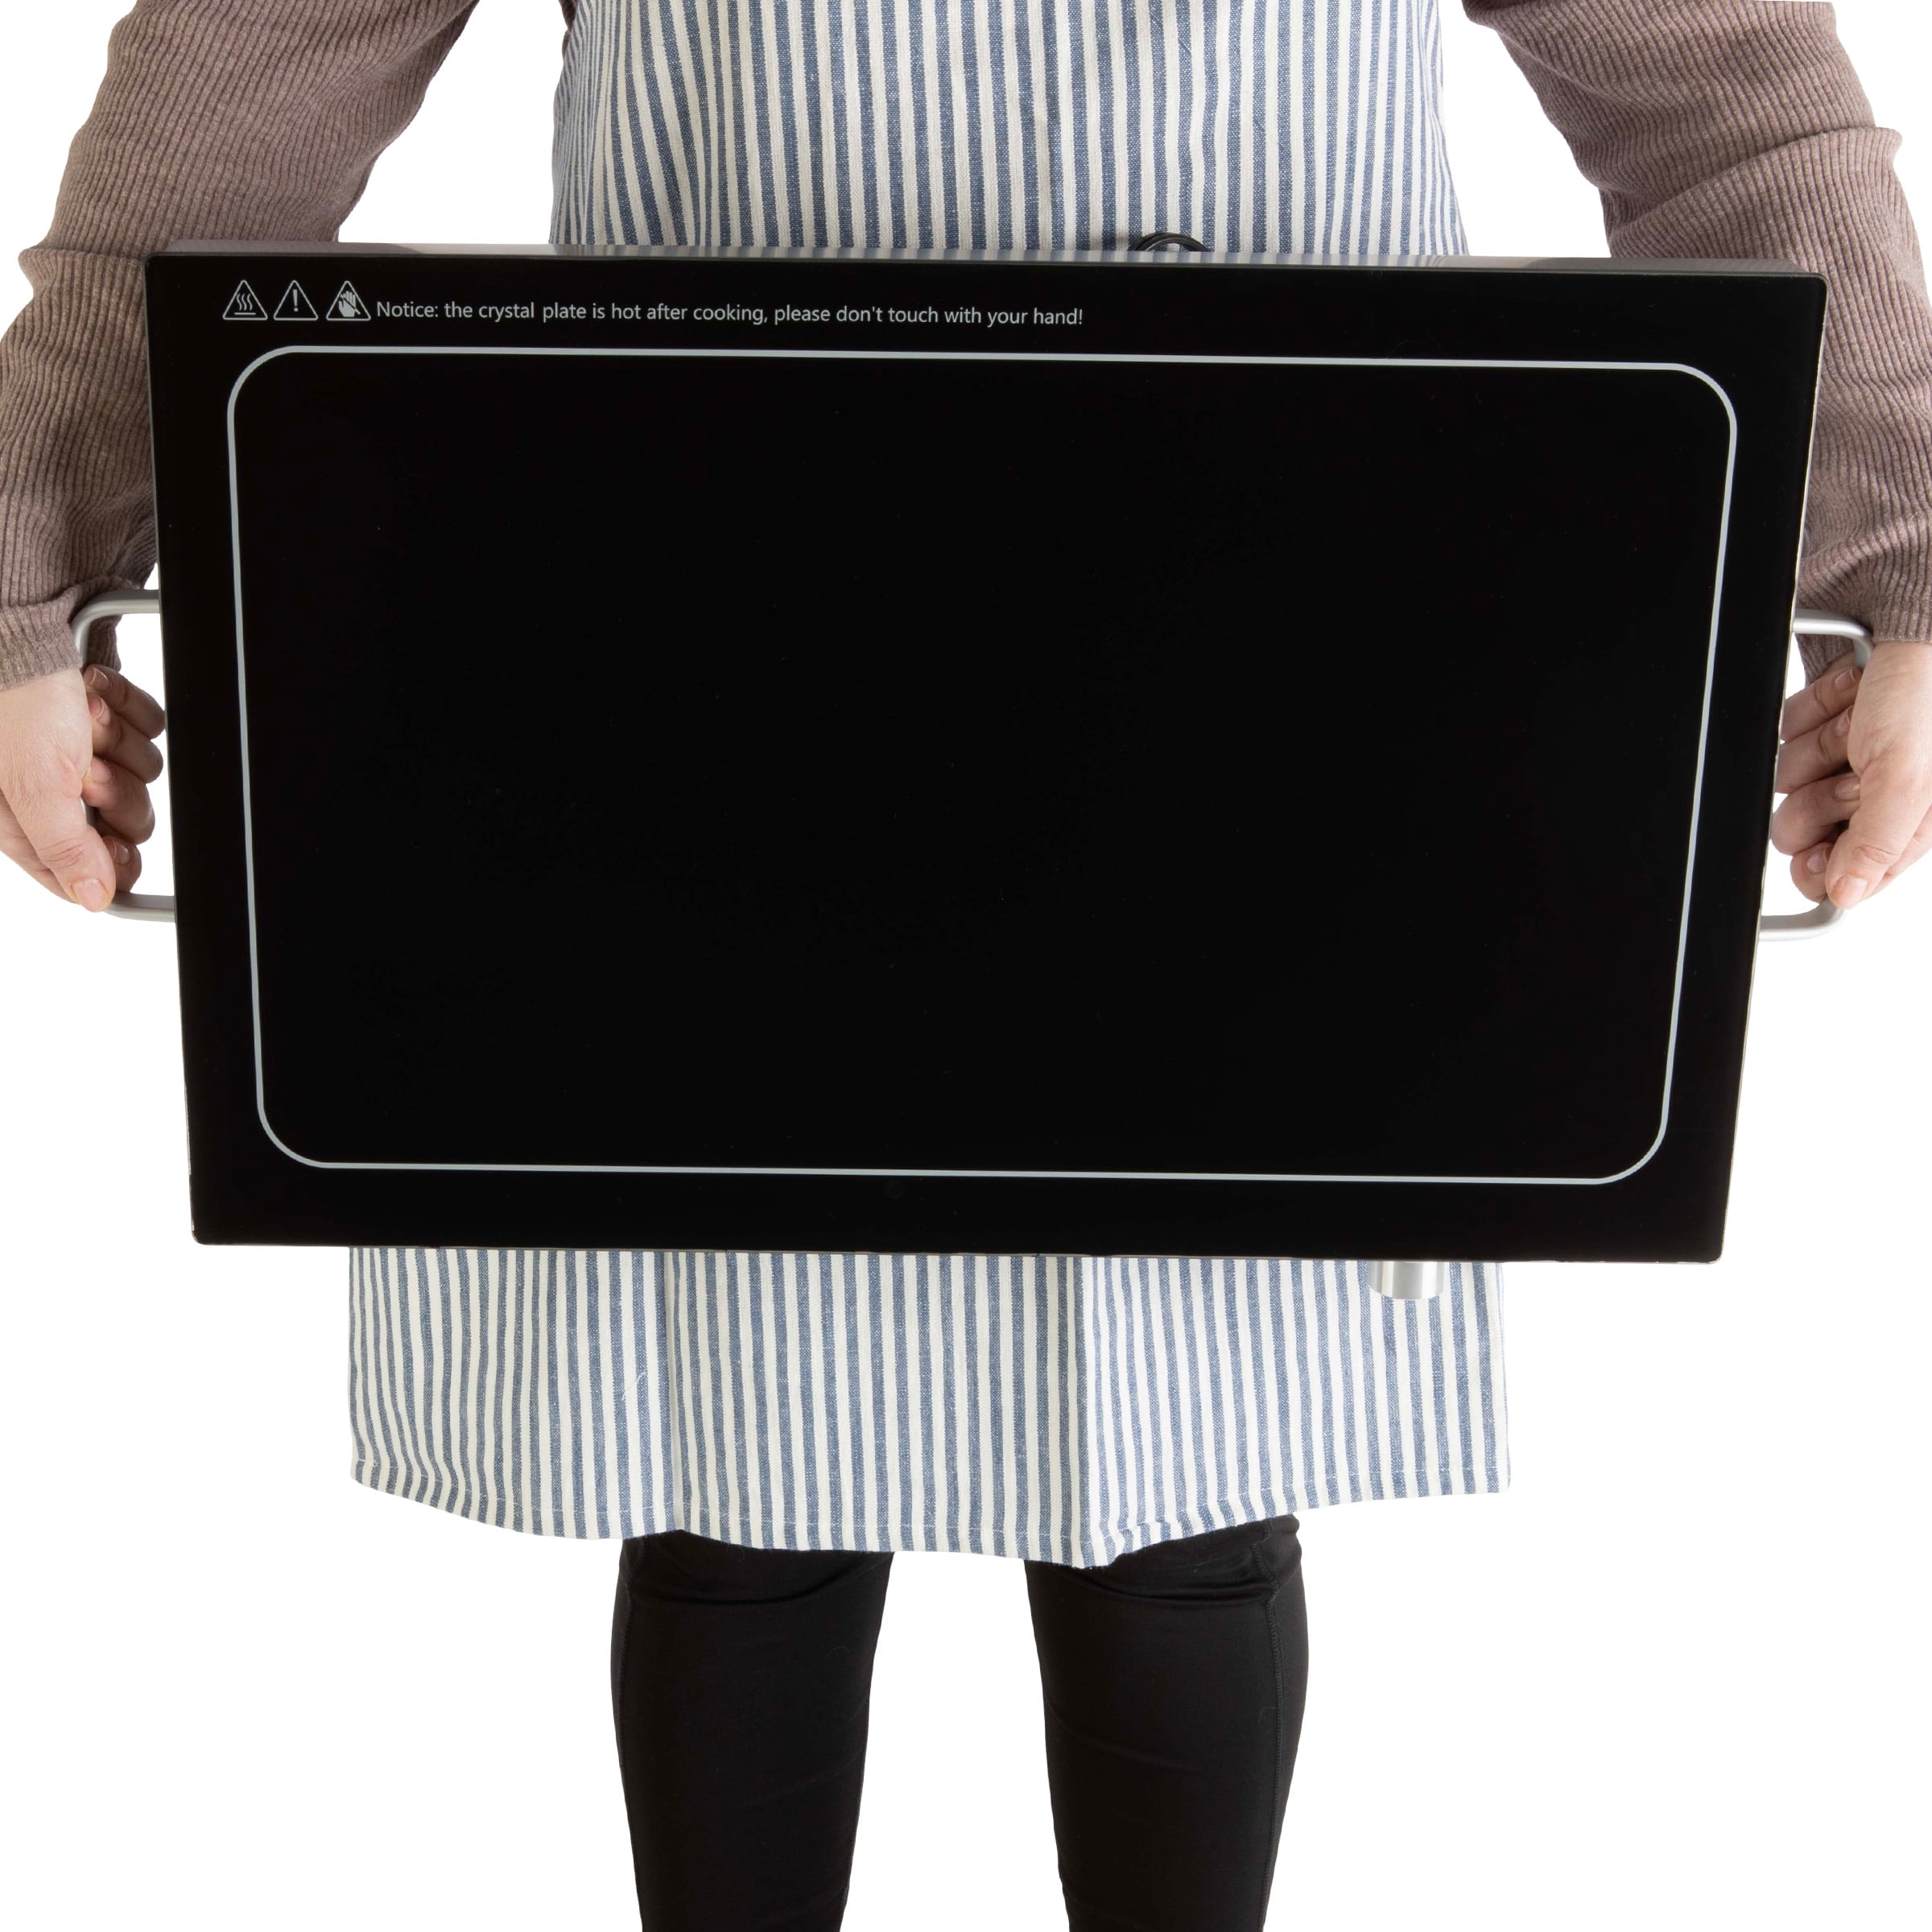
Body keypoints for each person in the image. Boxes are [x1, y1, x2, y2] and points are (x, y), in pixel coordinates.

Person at [2, 3, 1930, 1928]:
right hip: (709, 668)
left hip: (1274, 672)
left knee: (1187, 1486)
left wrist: (1911, 557)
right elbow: (251, 72)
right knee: (738, 1485)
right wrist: (23, 567)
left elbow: (1721, 90)